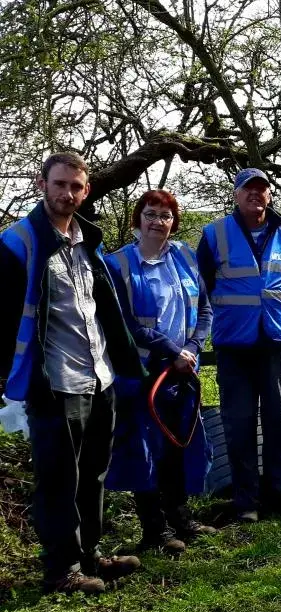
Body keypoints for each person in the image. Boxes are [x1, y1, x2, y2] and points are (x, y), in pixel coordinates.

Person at [0, 152, 144, 594]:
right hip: (54, 382)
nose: (67, 194)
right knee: (59, 478)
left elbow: (103, 309)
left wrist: (121, 363)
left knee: (94, 472)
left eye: (76, 187)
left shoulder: (87, 241)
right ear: (41, 184)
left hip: (99, 377)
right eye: (59, 184)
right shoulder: (17, 244)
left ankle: (89, 556)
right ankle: (60, 569)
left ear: (87, 191)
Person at [105, 190, 215, 553]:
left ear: (174, 222)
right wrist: (170, 350)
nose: (157, 222)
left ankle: (181, 518)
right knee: (146, 449)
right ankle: (155, 530)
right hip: (143, 372)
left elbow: (205, 309)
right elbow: (124, 323)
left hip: (183, 371)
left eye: (165, 216)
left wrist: (193, 348)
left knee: (179, 444)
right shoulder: (118, 264)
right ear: (138, 219)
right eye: (150, 214)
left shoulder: (184, 256)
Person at [197, 168, 281, 523]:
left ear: (270, 195)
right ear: (236, 194)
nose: (255, 194)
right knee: (239, 424)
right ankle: (247, 502)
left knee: (279, 420)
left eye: (262, 189)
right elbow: (202, 288)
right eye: (248, 189)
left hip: (275, 341)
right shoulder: (214, 234)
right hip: (234, 346)